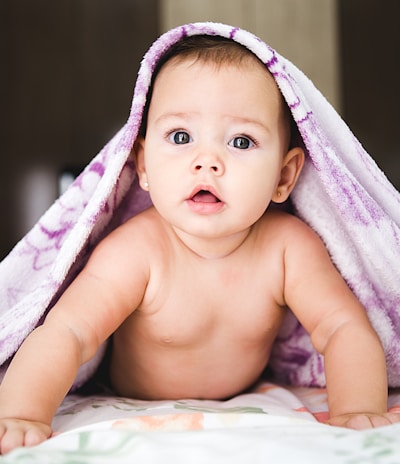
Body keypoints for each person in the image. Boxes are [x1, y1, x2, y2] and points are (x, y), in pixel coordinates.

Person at [0, 33, 399, 454]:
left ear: (284, 177)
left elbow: (341, 327)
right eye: (180, 137)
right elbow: (69, 332)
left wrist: (358, 410)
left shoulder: (288, 249)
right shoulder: (137, 251)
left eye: (240, 141)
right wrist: (22, 413)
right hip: (130, 391)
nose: (207, 161)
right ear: (143, 166)